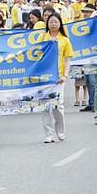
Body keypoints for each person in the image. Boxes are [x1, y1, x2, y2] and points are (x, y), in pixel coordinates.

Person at [38, 13, 72, 143]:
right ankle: (48, 134)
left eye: (55, 22)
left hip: (58, 77)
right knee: (45, 107)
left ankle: (60, 131)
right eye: (51, 22)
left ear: (60, 24)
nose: (53, 24)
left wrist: (65, 75)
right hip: (44, 78)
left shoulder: (65, 40)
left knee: (58, 106)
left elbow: (68, 59)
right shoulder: (43, 38)